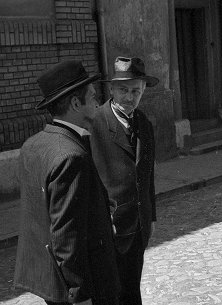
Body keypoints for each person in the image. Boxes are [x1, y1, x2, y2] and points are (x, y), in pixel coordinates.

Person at [14, 60, 120, 305]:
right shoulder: (72, 156)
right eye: (92, 96)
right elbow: (66, 237)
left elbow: (47, 209)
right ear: (75, 103)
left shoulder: (34, 143)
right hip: (80, 286)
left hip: (49, 278)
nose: (97, 101)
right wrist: (80, 295)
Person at [90, 56, 158, 305]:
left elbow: (148, 175)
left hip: (138, 226)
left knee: (131, 291)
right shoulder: (94, 125)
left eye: (136, 91)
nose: (130, 98)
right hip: (109, 230)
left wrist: (150, 217)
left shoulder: (144, 124)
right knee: (110, 294)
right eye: (123, 90)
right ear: (110, 89)